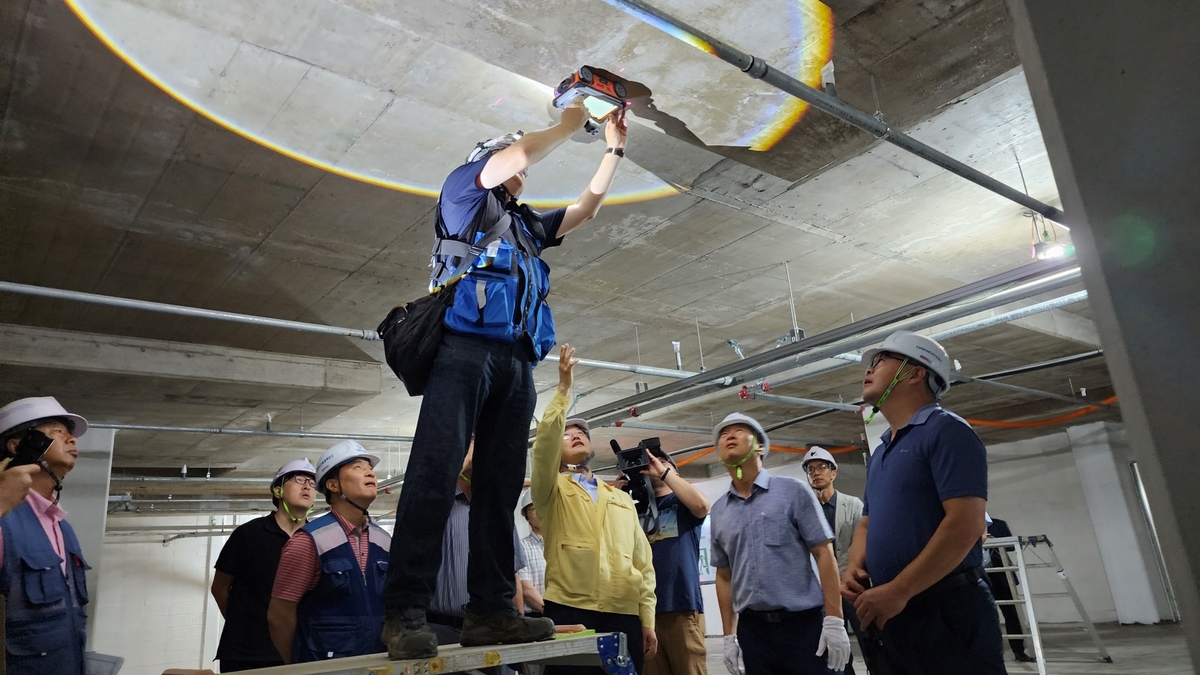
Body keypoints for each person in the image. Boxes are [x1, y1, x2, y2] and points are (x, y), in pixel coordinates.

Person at [382, 98, 629, 660]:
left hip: (516, 364)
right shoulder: (463, 192)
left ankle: (491, 610)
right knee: (434, 474)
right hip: (462, 352)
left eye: (522, 165)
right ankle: (405, 611)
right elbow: (513, 154)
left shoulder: (523, 226)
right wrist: (571, 123)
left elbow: (584, 209)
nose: (523, 168)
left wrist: (613, 148)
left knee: (498, 487)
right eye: (511, 160)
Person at [840, 331, 1006, 675]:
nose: (870, 368)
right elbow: (868, 521)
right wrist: (854, 567)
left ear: (916, 373)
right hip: (895, 609)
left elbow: (966, 525)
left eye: (882, 360)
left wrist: (899, 589)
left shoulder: (946, 431)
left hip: (946, 609)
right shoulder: (883, 450)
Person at [531, 345, 658, 674]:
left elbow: (642, 565)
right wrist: (562, 390)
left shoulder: (619, 499)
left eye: (582, 433)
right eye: (568, 433)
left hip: (624, 613)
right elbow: (543, 445)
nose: (576, 435)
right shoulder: (551, 489)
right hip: (571, 611)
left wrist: (647, 619)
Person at [710, 413, 850, 675]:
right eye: (723, 434)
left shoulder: (793, 491)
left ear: (760, 446)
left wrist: (834, 619)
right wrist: (729, 636)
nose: (729, 435)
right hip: (753, 631)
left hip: (803, 625)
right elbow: (724, 576)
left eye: (740, 430)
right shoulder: (719, 510)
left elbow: (823, 553)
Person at [268, 441, 390, 663]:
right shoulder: (309, 541)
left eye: (370, 468)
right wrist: (296, 666)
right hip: (325, 665)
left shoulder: (384, 541)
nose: (370, 472)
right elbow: (279, 616)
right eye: (358, 467)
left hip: (378, 663)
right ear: (333, 486)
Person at [0, 396, 92, 675]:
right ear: (19, 446)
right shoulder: (5, 518)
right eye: (56, 433)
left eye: (70, 435)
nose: (72, 440)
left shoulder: (62, 526)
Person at [211, 458, 317, 672]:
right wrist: (244, 625)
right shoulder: (248, 534)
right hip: (247, 654)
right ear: (278, 491)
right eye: (298, 479)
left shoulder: (318, 538)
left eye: (312, 483)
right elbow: (219, 588)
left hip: (300, 651)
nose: (307, 485)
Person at [428, 444, 530, 647]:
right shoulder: (437, 505)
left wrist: (518, 623)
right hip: (443, 630)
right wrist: (460, 461)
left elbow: (513, 575)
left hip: (496, 629)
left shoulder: (498, 514)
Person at [643, 447, 709, 675]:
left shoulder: (682, 503)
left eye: (663, 462)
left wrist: (664, 473)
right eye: (650, 463)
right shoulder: (634, 509)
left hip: (681, 604)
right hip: (645, 612)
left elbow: (702, 506)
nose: (655, 465)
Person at [802, 447, 867, 675]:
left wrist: (840, 577)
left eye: (821, 467)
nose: (816, 472)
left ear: (833, 473)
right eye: (811, 469)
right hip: (821, 592)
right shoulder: (805, 510)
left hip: (853, 587)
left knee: (869, 641)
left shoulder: (854, 504)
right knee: (833, 649)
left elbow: (859, 544)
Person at [985, 517, 1036, 663]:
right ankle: (990, 654)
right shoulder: (966, 523)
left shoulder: (998, 524)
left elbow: (1011, 546)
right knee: (986, 616)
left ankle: (1019, 652)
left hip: (1002, 574)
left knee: (1012, 613)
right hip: (979, 574)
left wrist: (994, 540)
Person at [517, 489, 546, 614]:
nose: (540, 512)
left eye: (543, 507)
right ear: (526, 516)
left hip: (566, 615)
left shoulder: (561, 546)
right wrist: (550, 612)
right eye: (533, 509)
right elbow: (526, 589)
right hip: (537, 617)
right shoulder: (521, 547)